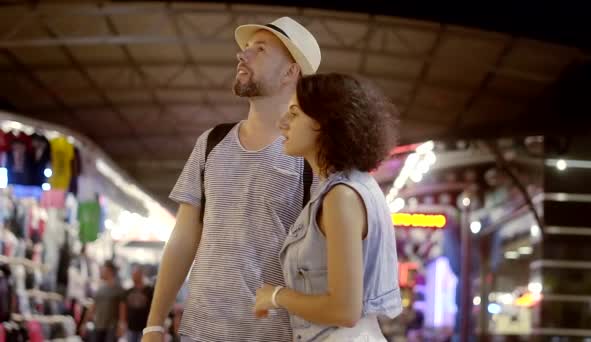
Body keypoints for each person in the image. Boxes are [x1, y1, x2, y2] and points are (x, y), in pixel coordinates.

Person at [142, 16, 321, 342]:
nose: (242, 55)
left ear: (290, 72)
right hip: (197, 332)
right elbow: (184, 238)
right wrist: (154, 323)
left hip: (271, 336)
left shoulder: (308, 157)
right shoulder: (212, 143)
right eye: (246, 48)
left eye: (260, 50)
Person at [254, 73, 403, 341]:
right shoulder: (355, 186)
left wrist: (275, 296)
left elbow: (344, 310)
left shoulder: (341, 197)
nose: (282, 123)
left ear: (325, 123)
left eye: (295, 114)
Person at [80, 260, 123, 342]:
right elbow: (93, 306)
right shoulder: (99, 288)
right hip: (98, 326)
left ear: (109, 271)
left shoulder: (118, 288)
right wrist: (84, 323)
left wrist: (121, 325)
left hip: (112, 327)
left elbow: (122, 308)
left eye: (104, 269)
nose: (101, 271)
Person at [118, 265, 154, 342]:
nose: (134, 277)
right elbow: (123, 306)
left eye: (136, 275)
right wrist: (122, 322)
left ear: (141, 275)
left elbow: (153, 307)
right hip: (131, 326)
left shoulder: (149, 290)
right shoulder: (128, 291)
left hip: (145, 327)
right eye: (133, 275)